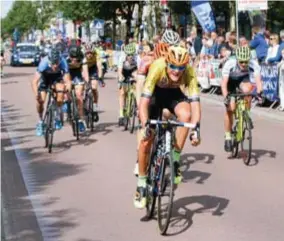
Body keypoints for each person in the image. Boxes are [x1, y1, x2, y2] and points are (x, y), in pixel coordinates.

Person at [134, 46, 201, 209]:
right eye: (173, 66)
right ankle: (142, 184)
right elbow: (143, 103)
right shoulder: (157, 66)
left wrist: (196, 129)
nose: (177, 71)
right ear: (167, 63)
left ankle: (175, 158)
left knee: (186, 116)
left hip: (174, 96)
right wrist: (145, 125)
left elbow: (195, 104)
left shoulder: (190, 72)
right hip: (155, 96)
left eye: (181, 68)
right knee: (145, 140)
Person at [221, 46, 263, 152]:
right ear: (237, 59)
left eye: (246, 62)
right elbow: (224, 83)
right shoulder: (230, 63)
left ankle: (246, 113)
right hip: (230, 81)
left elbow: (258, 81)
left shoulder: (253, 64)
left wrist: (259, 93)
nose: (244, 64)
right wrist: (226, 97)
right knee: (230, 109)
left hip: (242, 79)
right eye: (241, 62)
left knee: (248, 91)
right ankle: (227, 136)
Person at [31, 48, 71, 136]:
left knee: (60, 95)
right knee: (40, 101)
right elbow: (34, 81)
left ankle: (57, 117)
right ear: (49, 60)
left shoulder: (63, 62)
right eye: (53, 63)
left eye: (57, 63)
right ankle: (41, 122)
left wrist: (67, 90)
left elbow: (68, 80)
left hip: (57, 78)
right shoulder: (43, 63)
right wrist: (36, 94)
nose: (55, 65)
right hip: (46, 79)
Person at [66, 45, 89, 132]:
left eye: (76, 58)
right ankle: (67, 107)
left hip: (78, 76)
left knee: (79, 96)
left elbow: (85, 72)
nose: (75, 60)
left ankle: (81, 120)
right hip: (68, 75)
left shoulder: (83, 59)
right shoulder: (66, 59)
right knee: (66, 92)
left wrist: (87, 82)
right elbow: (64, 73)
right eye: (73, 58)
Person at [117, 43, 138, 126]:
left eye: (132, 55)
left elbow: (139, 71)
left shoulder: (137, 59)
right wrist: (120, 78)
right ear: (126, 54)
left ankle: (135, 104)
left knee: (137, 84)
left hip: (133, 71)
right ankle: (121, 114)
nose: (130, 56)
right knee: (122, 92)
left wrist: (137, 79)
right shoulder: (122, 58)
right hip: (124, 72)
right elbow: (119, 71)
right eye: (129, 55)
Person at [83, 42, 104, 120]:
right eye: (87, 53)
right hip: (84, 68)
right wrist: (86, 80)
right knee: (84, 86)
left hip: (93, 68)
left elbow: (99, 67)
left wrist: (100, 77)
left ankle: (95, 108)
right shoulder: (83, 57)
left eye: (90, 53)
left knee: (94, 87)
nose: (89, 55)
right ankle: (84, 103)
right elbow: (85, 71)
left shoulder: (96, 55)